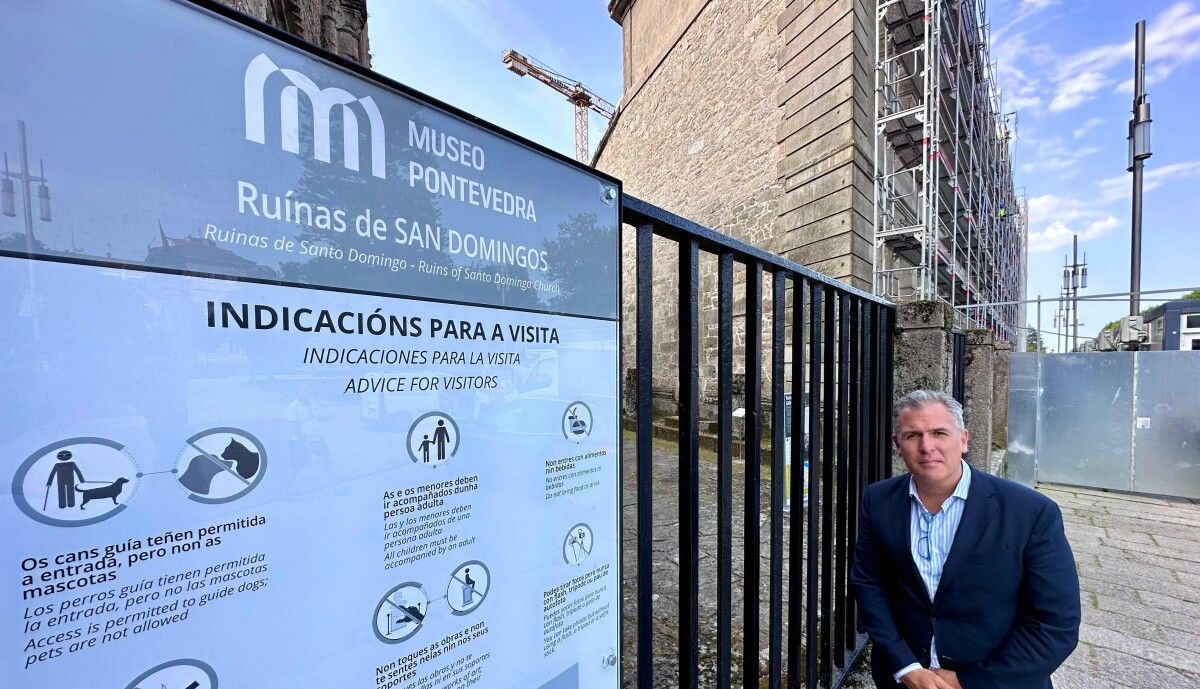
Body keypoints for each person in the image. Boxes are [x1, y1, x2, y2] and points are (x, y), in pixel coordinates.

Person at [851, 390, 1079, 689]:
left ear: (964, 440)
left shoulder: (1030, 512)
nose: (926, 446)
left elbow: (1055, 624)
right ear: (897, 445)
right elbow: (869, 583)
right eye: (912, 435)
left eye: (939, 433)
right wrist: (905, 667)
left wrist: (967, 682)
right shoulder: (879, 500)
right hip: (906, 680)